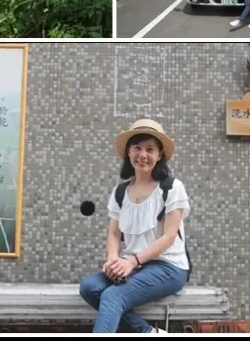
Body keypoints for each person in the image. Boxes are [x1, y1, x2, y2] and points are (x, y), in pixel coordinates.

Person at [79, 119, 190, 334]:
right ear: (128, 153)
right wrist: (113, 259)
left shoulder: (172, 188)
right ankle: (147, 332)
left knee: (112, 296)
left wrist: (132, 262)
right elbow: (113, 233)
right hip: (134, 266)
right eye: (137, 148)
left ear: (159, 155)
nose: (143, 155)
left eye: (150, 149)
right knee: (90, 287)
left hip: (168, 267)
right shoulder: (120, 191)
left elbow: (168, 237)